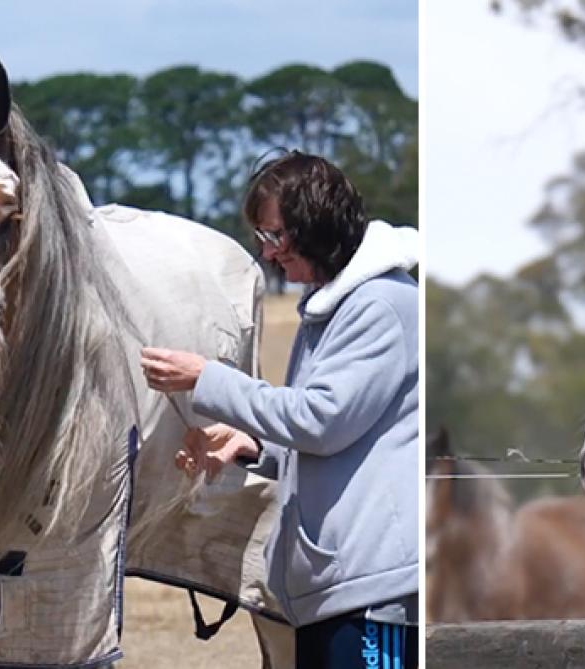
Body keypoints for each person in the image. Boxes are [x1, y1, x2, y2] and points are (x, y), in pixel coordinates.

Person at [140, 150, 419, 669]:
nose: (267, 254)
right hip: (336, 589)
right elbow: (335, 428)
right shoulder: (334, 305)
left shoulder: (379, 304)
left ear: (313, 224)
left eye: (273, 236)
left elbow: (321, 420)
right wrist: (251, 444)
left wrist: (207, 379)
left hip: (371, 595)